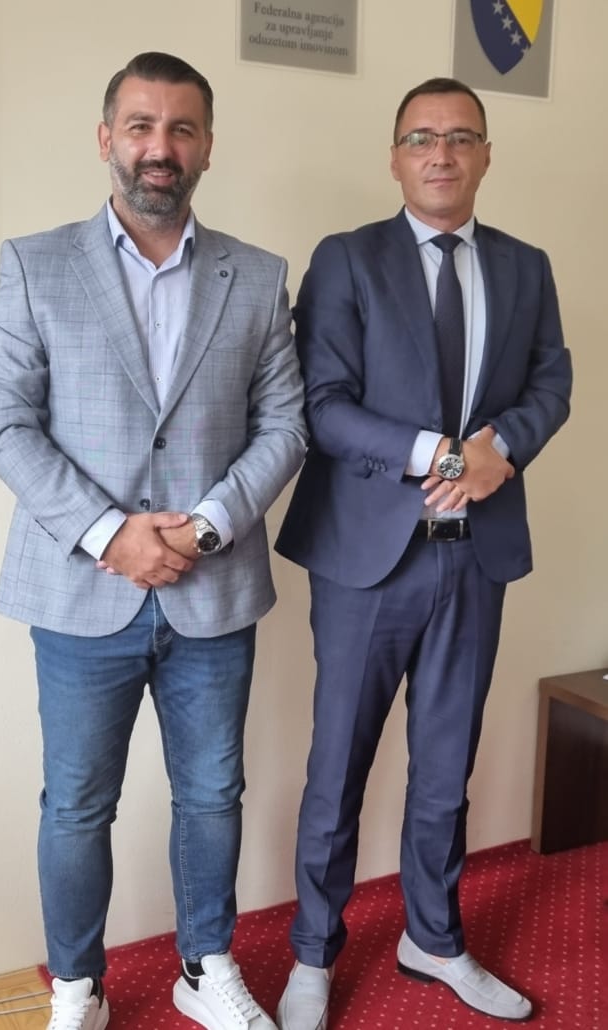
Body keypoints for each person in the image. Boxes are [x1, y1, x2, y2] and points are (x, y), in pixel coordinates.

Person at [0, 51, 306, 1030]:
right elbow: (3, 422)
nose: (160, 147)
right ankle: (77, 987)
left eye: (180, 129)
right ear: (106, 139)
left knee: (212, 793)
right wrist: (108, 534)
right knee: (77, 803)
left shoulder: (257, 276)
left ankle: (205, 967)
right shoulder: (35, 265)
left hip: (213, 588)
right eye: (140, 126)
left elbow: (283, 425)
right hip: (80, 591)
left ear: (205, 146)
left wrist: (204, 526)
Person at [274, 77, 572, 1029]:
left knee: (447, 764)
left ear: (484, 155)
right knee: (338, 767)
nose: (440, 153)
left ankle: (432, 938)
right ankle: (313, 954)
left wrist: (501, 449)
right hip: (367, 558)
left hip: (475, 555)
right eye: (420, 137)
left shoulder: (524, 266)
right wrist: (441, 457)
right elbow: (322, 404)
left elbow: (551, 381)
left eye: (459, 137)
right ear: (395, 156)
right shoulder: (346, 259)